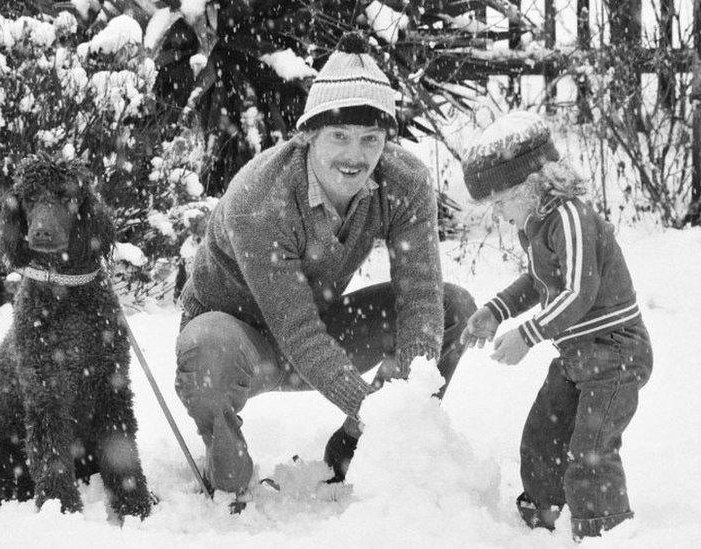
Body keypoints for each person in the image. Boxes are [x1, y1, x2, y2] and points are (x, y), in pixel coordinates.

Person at [173, 32, 476, 500]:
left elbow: (418, 296)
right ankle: (226, 469)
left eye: (370, 139)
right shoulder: (261, 196)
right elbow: (296, 332)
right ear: (309, 133)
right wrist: (375, 406)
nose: (355, 157)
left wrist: (400, 415)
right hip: (240, 344)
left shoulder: (405, 181)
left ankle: (355, 446)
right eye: (339, 135)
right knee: (208, 346)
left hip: (324, 322)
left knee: (451, 307)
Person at [459, 111, 653, 540]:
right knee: (543, 433)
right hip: (577, 355)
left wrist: (528, 335)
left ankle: (603, 531)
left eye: (501, 201)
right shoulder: (537, 225)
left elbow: (579, 291)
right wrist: (495, 311)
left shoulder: (571, 218)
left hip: (616, 351)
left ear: (531, 184)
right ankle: (548, 511)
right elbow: (539, 280)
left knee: (590, 450)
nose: (499, 214)